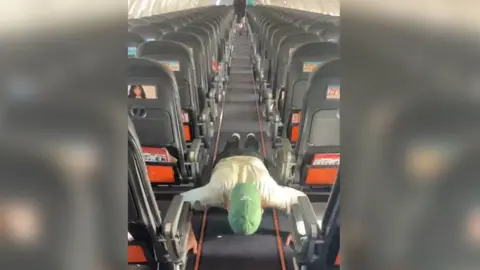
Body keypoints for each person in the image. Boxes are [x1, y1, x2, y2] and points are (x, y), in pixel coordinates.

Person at [182, 133, 307, 253]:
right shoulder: (216, 190)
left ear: (227, 207)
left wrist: (299, 231)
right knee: (235, 146)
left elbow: (182, 201)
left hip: (248, 158)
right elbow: (301, 199)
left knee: (249, 147)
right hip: (233, 158)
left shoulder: (268, 191)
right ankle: (237, 137)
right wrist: (298, 230)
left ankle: (247, 137)